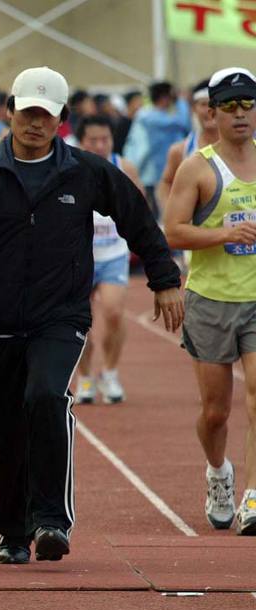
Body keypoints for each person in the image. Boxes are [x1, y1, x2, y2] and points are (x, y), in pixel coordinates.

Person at [0, 67, 183, 565]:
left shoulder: (85, 171)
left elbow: (136, 215)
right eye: (27, 112)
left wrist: (165, 279)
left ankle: (51, 522)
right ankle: (12, 532)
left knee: (45, 396)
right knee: (1, 429)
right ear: (9, 111)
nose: (34, 123)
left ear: (61, 120)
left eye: (46, 115)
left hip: (59, 317)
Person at [163, 67, 256, 537]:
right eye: (231, 108)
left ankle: (254, 496)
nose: (241, 116)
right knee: (216, 411)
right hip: (211, 300)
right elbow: (173, 230)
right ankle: (219, 472)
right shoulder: (198, 167)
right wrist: (224, 233)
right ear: (212, 112)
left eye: (249, 106)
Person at [73, 115, 144, 406]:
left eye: (106, 139)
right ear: (82, 141)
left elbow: (140, 208)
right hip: (78, 258)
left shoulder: (124, 166)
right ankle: (86, 376)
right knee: (80, 321)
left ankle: (111, 371)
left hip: (113, 254)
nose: (100, 145)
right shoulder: (71, 166)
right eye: (94, 140)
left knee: (114, 313)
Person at [123, 81, 191, 214]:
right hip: (151, 175)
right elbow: (183, 122)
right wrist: (180, 101)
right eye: (170, 97)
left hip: (163, 173)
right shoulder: (148, 116)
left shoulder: (158, 116)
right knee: (156, 216)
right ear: (164, 97)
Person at [158, 80, 217, 211]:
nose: (209, 110)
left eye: (213, 104)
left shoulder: (244, 147)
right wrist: (172, 215)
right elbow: (166, 183)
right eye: (203, 104)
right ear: (193, 109)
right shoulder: (180, 150)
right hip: (193, 229)